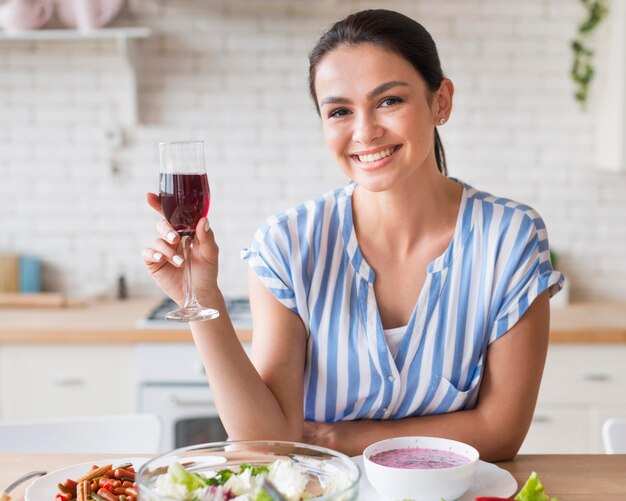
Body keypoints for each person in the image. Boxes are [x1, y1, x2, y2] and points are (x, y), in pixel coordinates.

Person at [143, 9, 564, 462]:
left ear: (440, 101)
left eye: (389, 101)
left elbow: (500, 432)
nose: (364, 132)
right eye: (340, 111)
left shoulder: (510, 238)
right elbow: (264, 445)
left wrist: (335, 439)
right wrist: (203, 297)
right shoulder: (286, 245)